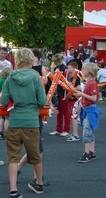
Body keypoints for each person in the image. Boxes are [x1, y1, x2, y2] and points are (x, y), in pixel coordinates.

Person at [1, 48, 47, 197]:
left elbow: (4, 101)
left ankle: (13, 190)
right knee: (35, 155)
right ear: (31, 60)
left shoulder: (10, 78)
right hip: (31, 121)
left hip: (14, 122)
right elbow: (42, 101)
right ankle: (39, 183)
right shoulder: (35, 78)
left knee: (13, 157)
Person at [17, 49, 50, 186]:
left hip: (20, 116)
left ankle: (17, 169)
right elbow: (42, 100)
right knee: (37, 150)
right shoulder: (35, 77)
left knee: (33, 149)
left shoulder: (14, 77)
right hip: (34, 116)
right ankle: (37, 179)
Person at [74, 63, 101, 163]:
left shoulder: (91, 83)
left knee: (87, 131)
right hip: (89, 109)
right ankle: (92, 151)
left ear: (89, 71)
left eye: (84, 70)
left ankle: (87, 152)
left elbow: (94, 98)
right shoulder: (90, 82)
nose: (82, 72)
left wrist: (82, 94)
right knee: (90, 130)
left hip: (90, 109)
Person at [49, 53, 70, 137]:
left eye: (56, 61)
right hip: (58, 92)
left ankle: (66, 129)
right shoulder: (55, 69)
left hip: (64, 92)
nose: (55, 63)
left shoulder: (65, 69)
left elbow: (66, 81)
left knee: (65, 111)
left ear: (59, 61)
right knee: (58, 111)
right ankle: (59, 129)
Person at [65, 62, 82, 142]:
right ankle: (74, 133)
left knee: (74, 117)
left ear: (73, 68)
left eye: (69, 68)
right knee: (72, 117)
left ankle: (76, 135)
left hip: (76, 99)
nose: (68, 70)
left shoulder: (77, 77)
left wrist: (71, 88)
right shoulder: (72, 77)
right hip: (72, 98)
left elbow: (79, 87)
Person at [0, 67, 12, 140]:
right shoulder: (9, 81)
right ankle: (6, 133)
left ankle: (0, 132)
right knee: (7, 117)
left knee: (1, 117)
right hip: (6, 99)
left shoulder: (0, 80)